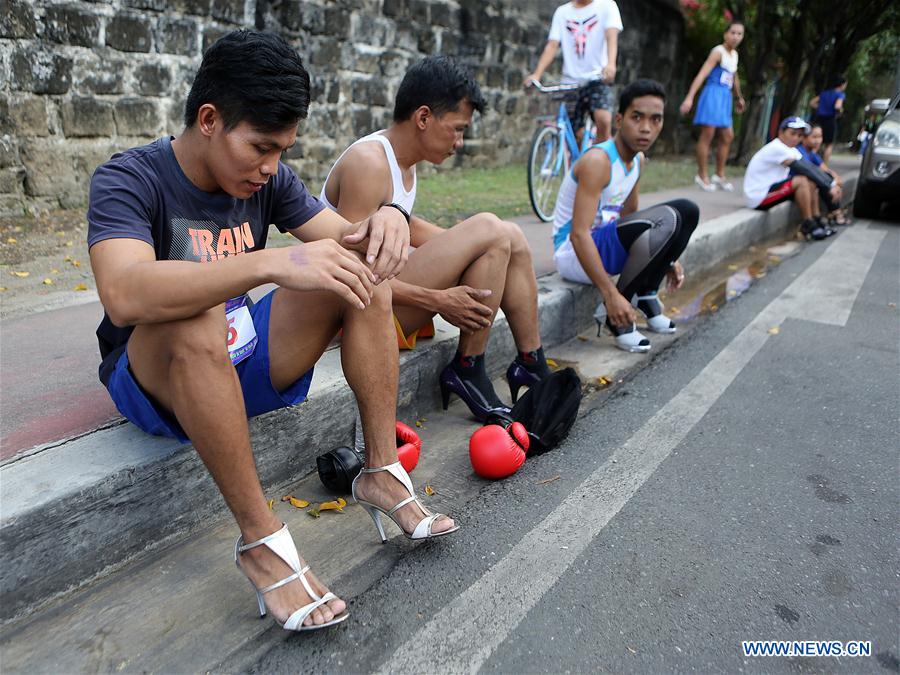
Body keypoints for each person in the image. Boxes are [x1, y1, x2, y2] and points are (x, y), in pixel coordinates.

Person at [86, 30, 458, 634]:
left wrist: (389, 217)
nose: (270, 169)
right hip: (155, 375)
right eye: (260, 147)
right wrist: (267, 262)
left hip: (237, 351)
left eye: (282, 151)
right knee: (195, 309)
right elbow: (124, 293)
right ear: (209, 119)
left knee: (359, 274)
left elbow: (348, 234)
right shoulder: (130, 179)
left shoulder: (270, 180)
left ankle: (381, 471)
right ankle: (260, 540)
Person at [322, 56, 551, 422]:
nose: (459, 143)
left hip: (381, 297)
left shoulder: (405, 162)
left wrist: (480, 251)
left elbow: (405, 228)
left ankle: (532, 363)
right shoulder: (369, 163)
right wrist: (438, 299)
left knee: (508, 235)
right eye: (457, 129)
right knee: (491, 230)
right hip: (350, 317)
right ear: (424, 118)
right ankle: (469, 368)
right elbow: (349, 275)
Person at [552, 79, 699, 353]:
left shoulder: (638, 160)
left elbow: (631, 217)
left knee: (687, 212)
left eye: (655, 120)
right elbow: (578, 234)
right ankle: (617, 315)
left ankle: (646, 295)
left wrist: (667, 256)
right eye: (637, 117)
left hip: (604, 245)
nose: (646, 127)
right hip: (573, 254)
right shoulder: (599, 161)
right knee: (667, 217)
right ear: (619, 120)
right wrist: (610, 294)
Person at [524, 0, 623, 143]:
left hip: (597, 78)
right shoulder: (562, 12)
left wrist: (611, 64)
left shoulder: (607, 6)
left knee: (604, 120)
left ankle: (601, 161)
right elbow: (552, 45)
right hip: (570, 82)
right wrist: (537, 74)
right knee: (574, 132)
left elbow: (611, 37)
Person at [743, 116, 840, 240]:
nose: (796, 138)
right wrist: (830, 185)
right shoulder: (777, 147)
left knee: (810, 182)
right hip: (757, 196)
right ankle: (809, 224)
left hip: (772, 190)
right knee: (802, 181)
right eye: (793, 133)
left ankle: (817, 220)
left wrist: (832, 183)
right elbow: (804, 168)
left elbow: (811, 168)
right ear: (780, 132)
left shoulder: (790, 150)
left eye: (800, 135)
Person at [679, 20, 746, 192]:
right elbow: (702, 75)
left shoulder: (734, 55)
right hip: (712, 95)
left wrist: (738, 97)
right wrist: (689, 97)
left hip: (725, 98)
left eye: (740, 34)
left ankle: (719, 174)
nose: (736, 37)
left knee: (727, 136)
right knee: (707, 135)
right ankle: (702, 176)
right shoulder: (718, 52)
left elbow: (734, 76)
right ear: (725, 34)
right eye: (733, 33)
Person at [793, 123, 848, 225]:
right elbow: (813, 172)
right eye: (814, 137)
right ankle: (832, 213)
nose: (818, 140)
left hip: (806, 182)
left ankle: (830, 214)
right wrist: (831, 185)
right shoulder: (799, 152)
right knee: (821, 182)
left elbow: (825, 170)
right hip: (798, 183)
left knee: (827, 178)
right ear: (804, 138)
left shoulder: (812, 153)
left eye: (820, 137)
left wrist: (835, 180)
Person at [809, 76, 847, 164]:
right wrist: (840, 111)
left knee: (817, 142)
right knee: (828, 145)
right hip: (829, 120)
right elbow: (837, 106)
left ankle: (809, 162)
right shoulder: (840, 94)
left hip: (819, 120)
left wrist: (820, 108)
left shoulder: (824, 93)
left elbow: (812, 103)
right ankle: (825, 166)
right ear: (842, 85)